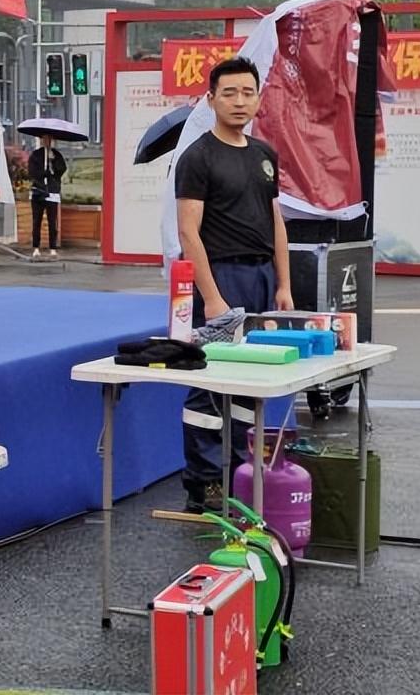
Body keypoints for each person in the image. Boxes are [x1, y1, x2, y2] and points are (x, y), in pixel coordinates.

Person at [175, 56, 292, 513]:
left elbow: (275, 221)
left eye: (247, 92)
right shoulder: (197, 157)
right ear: (211, 99)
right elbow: (189, 232)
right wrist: (212, 297)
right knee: (208, 387)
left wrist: (283, 284)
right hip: (221, 276)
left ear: (258, 99)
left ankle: (242, 473)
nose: (239, 101)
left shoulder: (265, 156)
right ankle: (203, 486)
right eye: (229, 93)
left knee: (249, 382)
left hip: (262, 277)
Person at [28, 135, 66, 257]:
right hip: (38, 191)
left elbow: (61, 170)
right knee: (36, 221)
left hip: (52, 191)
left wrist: (52, 161)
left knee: (52, 221)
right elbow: (32, 172)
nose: (47, 142)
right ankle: (36, 247)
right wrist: (43, 171)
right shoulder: (36, 155)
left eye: (49, 139)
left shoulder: (56, 155)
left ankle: (53, 247)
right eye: (44, 139)